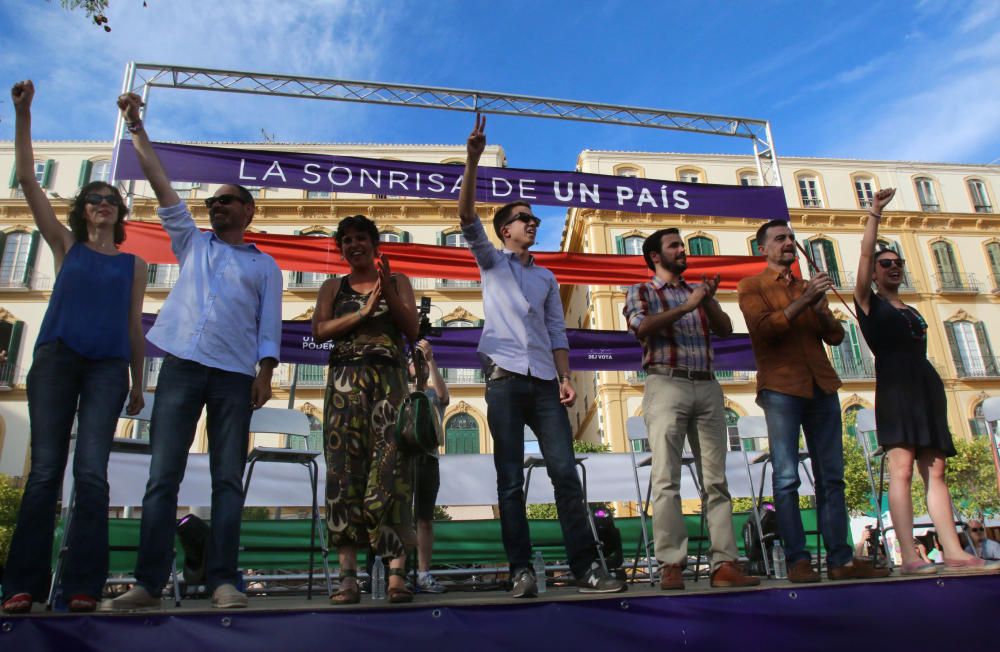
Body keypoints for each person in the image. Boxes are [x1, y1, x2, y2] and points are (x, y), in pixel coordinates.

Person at [103, 93, 283, 611]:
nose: (216, 205)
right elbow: (161, 184)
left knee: (227, 479)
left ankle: (224, 580)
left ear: (247, 210)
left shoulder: (265, 266)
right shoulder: (191, 242)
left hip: (232, 376)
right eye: (213, 201)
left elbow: (268, 326)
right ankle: (148, 583)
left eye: (226, 200)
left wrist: (265, 372)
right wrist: (137, 128)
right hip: (181, 367)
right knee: (163, 476)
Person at [459, 114, 625, 597]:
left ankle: (585, 568)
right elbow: (466, 217)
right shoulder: (491, 261)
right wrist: (471, 159)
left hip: (546, 384)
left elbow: (557, 330)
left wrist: (565, 375)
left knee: (564, 475)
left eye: (533, 219)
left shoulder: (548, 277)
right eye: (523, 219)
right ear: (505, 231)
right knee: (510, 481)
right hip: (505, 379)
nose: (532, 223)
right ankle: (520, 570)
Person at [1, 81, 147, 614]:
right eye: (95, 199)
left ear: (119, 213)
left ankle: (82, 584)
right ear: (83, 210)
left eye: (112, 200)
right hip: (57, 360)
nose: (104, 205)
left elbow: (135, 325)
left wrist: (137, 379)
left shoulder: (133, 264)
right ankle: (22, 585)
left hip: (109, 366)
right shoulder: (65, 246)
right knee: (43, 472)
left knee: (91, 473)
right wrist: (23, 114)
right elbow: (24, 179)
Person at [854, 188, 1000, 575]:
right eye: (886, 264)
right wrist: (874, 215)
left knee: (936, 470)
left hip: (926, 385)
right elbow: (865, 255)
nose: (893, 267)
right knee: (901, 470)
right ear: (874, 272)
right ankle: (909, 554)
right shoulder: (869, 304)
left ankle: (952, 549)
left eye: (898, 262)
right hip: (896, 387)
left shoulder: (913, 308)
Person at [737, 220, 889, 583]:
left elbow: (836, 336)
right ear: (763, 249)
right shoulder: (751, 286)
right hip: (780, 389)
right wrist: (805, 299)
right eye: (780, 239)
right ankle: (798, 561)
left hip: (822, 386)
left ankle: (840, 560)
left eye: (790, 238)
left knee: (832, 477)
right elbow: (765, 329)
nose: (788, 243)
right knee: (787, 478)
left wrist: (819, 306)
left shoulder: (808, 287)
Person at [623, 229, 758, 590]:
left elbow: (726, 330)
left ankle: (725, 564)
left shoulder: (695, 291)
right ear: (654, 256)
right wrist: (686, 306)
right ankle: (671, 563)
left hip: (707, 384)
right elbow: (641, 327)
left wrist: (708, 300)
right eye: (674, 246)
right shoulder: (642, 291)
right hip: (666, 382)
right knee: (666, 478)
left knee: (716, 480)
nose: (682, 250)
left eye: (682, 245)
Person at [312, 214, 419, 605]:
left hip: (389, 383)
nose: (353, 245)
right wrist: (360, 312)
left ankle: (396, 574)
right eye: (347, 240)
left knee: (392, 471)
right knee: (342, 474)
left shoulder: (398, 281)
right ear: (341, 249)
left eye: (361, 239)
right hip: (344, 383)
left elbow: (412, 329)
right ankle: (347, 578)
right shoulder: (330, 286)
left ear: (376, 246)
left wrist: (386, 294)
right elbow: (318, 331)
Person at [411, 339, 449, 594]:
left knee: (424, 519)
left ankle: (424, 573)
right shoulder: (401, 392)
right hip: (403, 461)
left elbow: (445, 396)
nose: (419, 367)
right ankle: (398, 572)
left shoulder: (434, 395)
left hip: (428, 460)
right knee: (399, 518)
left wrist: (430, 360)